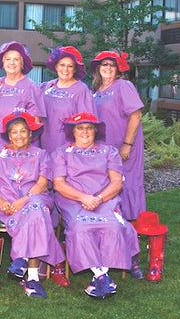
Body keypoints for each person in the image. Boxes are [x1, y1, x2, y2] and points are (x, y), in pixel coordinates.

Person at [52, 112, 141, 300]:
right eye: (80, 128)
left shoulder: (109, 151)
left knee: (114, 225)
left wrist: (98, 198)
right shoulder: (61, 153)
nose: (85, 132)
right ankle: (102, 275)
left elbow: (117, 182)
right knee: (80, 226)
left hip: (104, 199)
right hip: (74, 200)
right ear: (73, 131)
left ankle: (100, 277)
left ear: (95, 131)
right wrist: (84, 198)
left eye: (89, 128)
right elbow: (59, 184)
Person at [0, 111, 66, 298]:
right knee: (36, 215)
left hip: (34, 199)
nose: (19, 135)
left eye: (23, 131)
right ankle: (32, 278)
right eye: (14, 132)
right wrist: (0, 201)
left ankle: (23, 259)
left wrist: (23, 201)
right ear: (9, 135)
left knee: (35, 209)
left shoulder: (41, 154)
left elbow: (43, 184)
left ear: (30, 134)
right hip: (5, 206)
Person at [90, 51, 145, 221]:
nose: (108, 68)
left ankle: (131, 222)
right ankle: (114, 219)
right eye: (104, 64)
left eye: (112, 65)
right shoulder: (97, 91)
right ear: (98, 68)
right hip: (106, 147)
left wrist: (127, 145)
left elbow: (136, 116)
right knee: (111, 181)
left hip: (124, 145)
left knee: (127, 181)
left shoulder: (123, 86)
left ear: (118, 69)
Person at [0, 41, 46, 152]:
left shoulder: (31, 87)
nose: (11, 63)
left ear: (22, 63)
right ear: (3, 63)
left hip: (19, 150)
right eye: (8, 59)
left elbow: (35, 123)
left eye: (16, 59)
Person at [40, 46, 96, 154]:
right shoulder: (46, 87)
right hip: (44, 144)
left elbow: (87, 123)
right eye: (62, 64)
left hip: (67, 147)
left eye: (70, 66)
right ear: (56, 66)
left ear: (75, 69)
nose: (65, 69)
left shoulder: (81, 90)